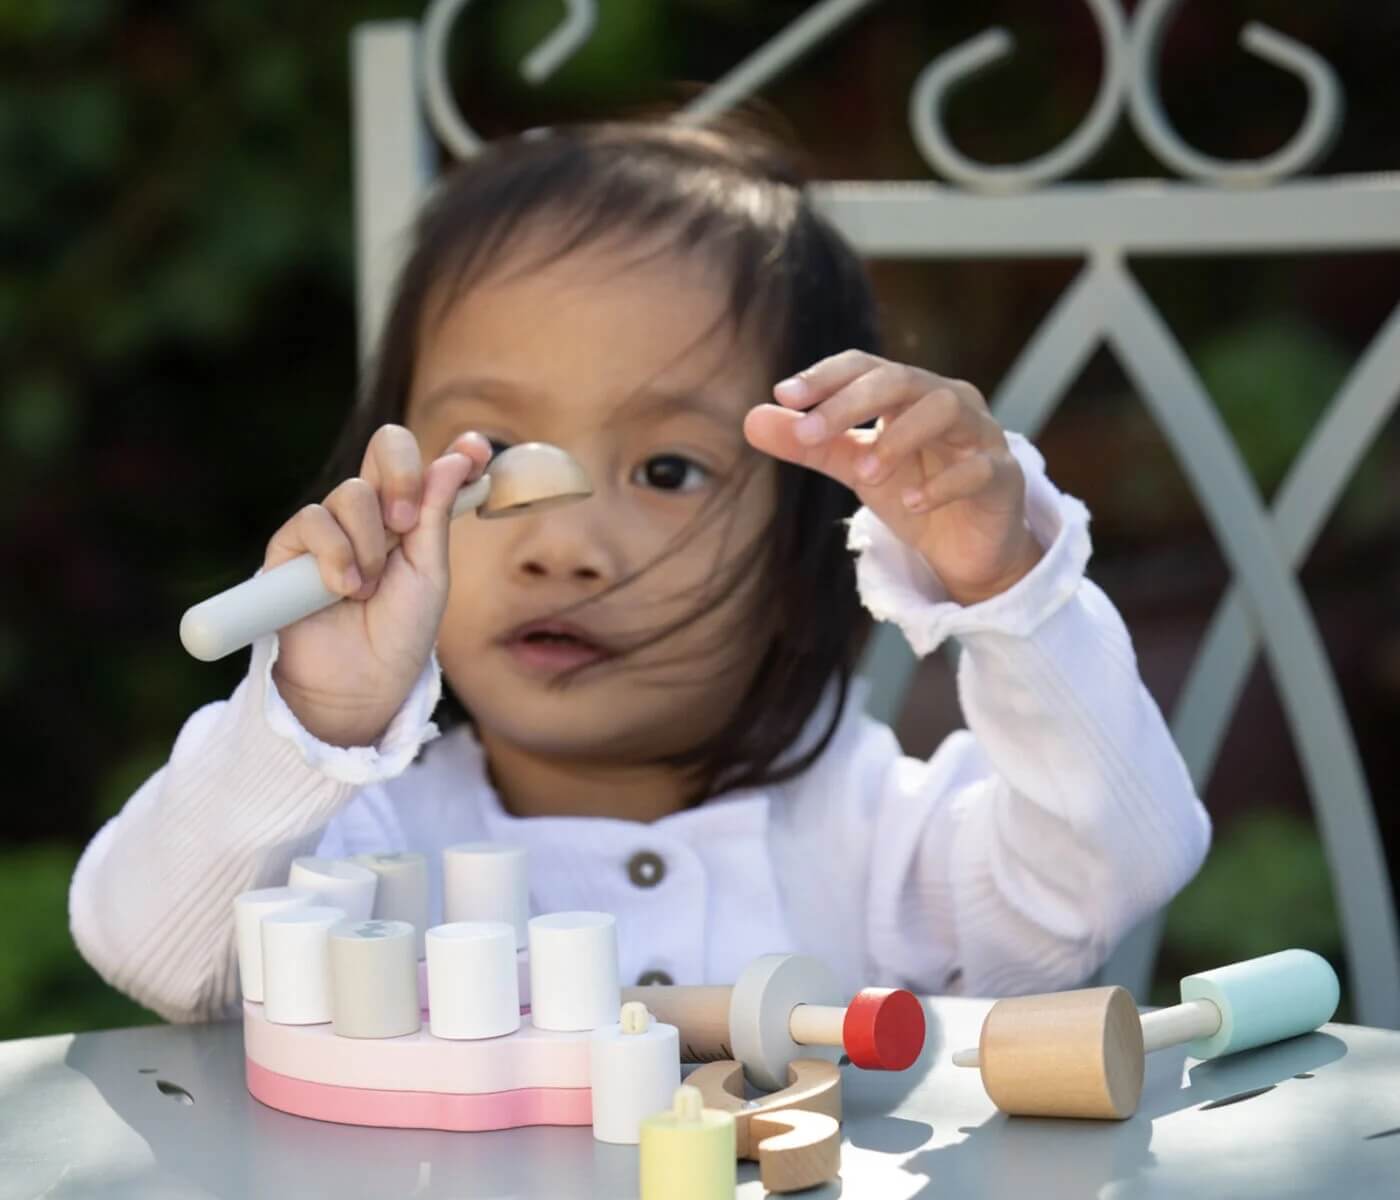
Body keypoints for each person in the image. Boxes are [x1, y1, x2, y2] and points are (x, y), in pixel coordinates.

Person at [70, 120, 1210, 1023]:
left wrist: (1005, 588)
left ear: (818, 523)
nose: (561, 541)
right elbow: (151, 950)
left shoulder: (878, 841)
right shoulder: (364, 844)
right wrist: (311, 716)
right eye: (498, 461)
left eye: (667, 467)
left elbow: (1115, 861)